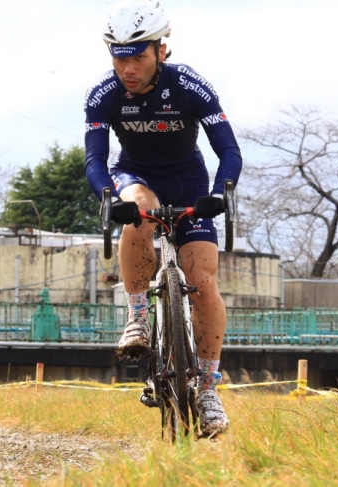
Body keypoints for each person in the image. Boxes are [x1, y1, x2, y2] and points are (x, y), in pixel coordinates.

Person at [83, 0, 242, 436]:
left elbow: (228, 151)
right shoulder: (104, 94)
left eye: (138, 56)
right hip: (136, 176)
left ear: (161, 51)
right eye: (119, 56)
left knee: (204, 281)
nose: (127, 67)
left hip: (190, 184)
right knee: (137, 212)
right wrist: (108, 196)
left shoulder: (189, 85)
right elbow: (95, 159)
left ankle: (208, 387)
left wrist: (217, 195)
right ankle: (137, 315)